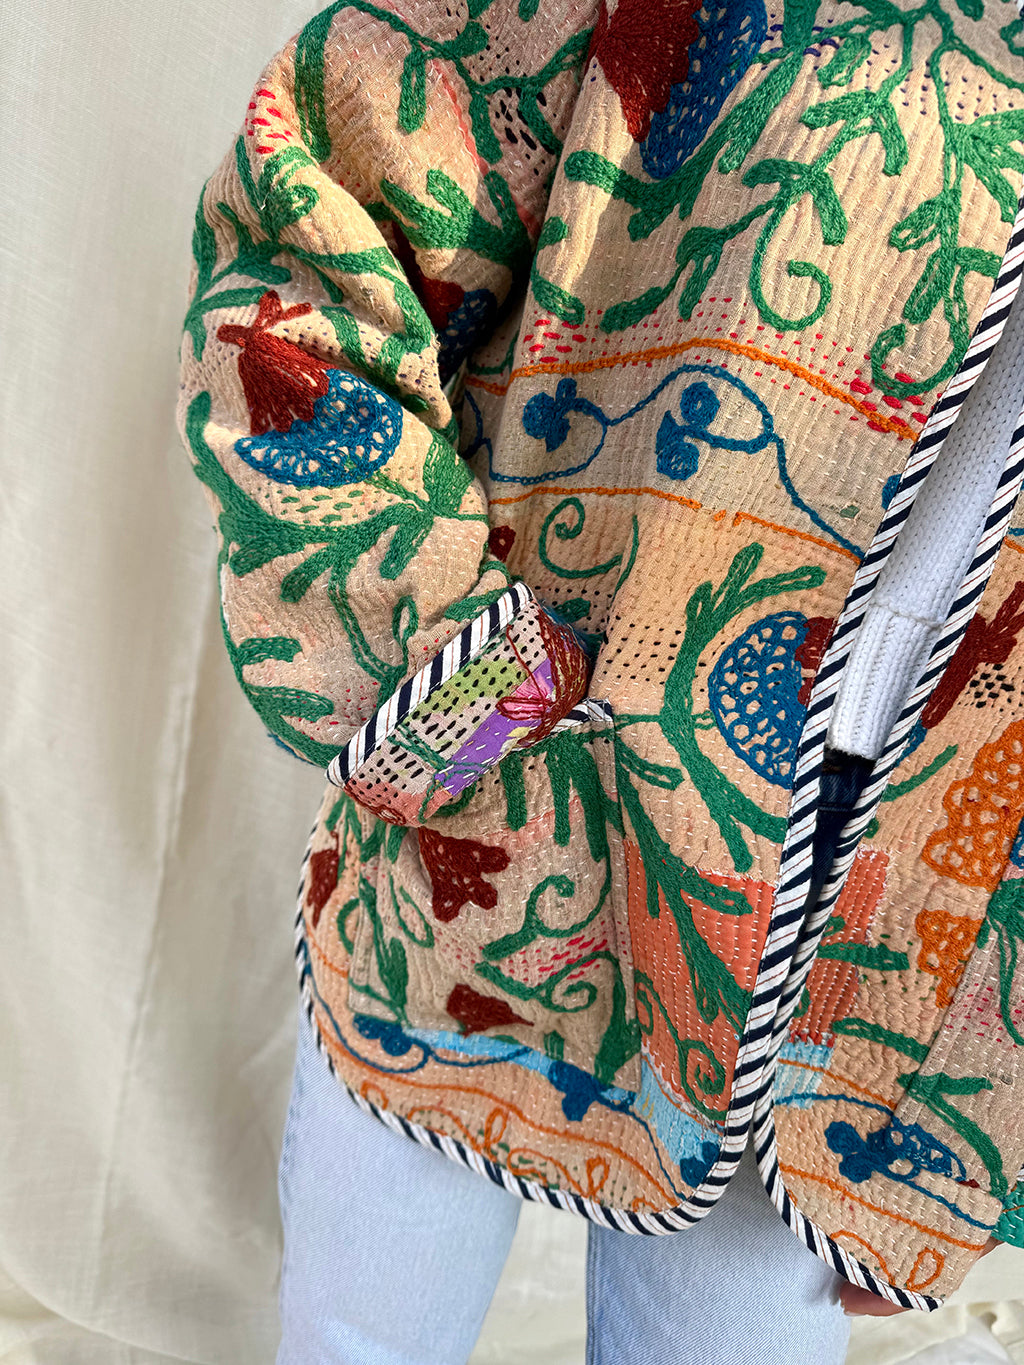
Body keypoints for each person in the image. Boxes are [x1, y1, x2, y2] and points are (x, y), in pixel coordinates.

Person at [177, 1, 1024, 1359]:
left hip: (877, 957)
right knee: (361, 1338)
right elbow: (312, 245)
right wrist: (454, 700)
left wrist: (962, 1104)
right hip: (504, 804)